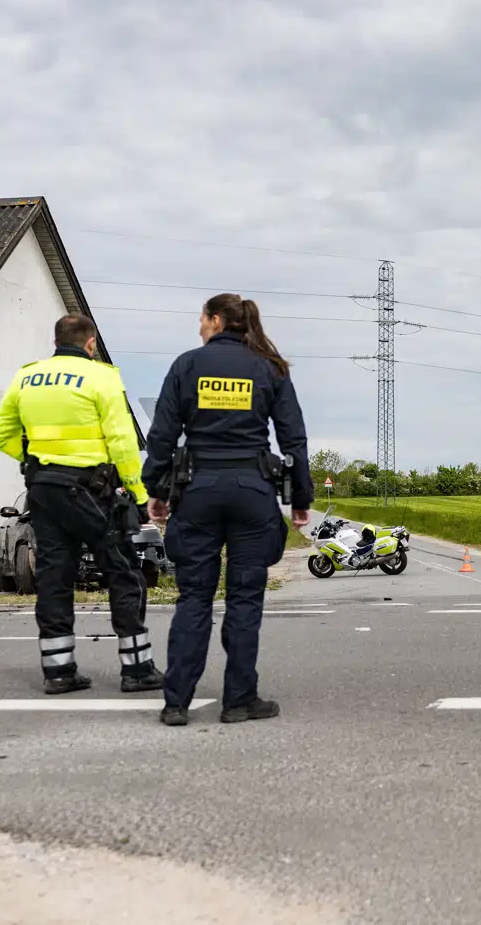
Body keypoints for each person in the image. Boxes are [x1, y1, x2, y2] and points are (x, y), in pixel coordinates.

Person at [142, 294, 312, 727]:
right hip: (252, 493)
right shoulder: (269, 367)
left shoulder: (187, 365)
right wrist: (300, 500)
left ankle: (176, 702)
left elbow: (163, 433)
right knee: (244, 599)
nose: (198, 327)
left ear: (216, 320)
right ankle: (239, 701)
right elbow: (293, 438)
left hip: (197, 492)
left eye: (201, 319)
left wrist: (157, 490)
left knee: (194, 597)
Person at [0, 315, 163, 694]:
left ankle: (59, 671)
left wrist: (34, 459)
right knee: (124, 570)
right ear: (91, 343)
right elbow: (122, 441)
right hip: (89, 490)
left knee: (53, 576)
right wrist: (138, 492)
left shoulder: (27, 377)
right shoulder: (102, 378)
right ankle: (137, 669)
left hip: (43, 490)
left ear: (56, 341)